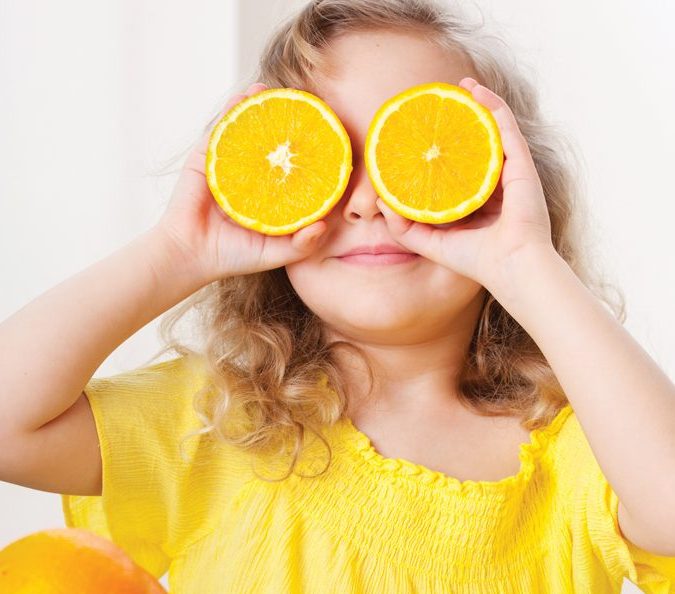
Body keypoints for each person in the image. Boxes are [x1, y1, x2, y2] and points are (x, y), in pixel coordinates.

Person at [1, 0, 674, 592]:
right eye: (327, 160)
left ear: (507, 181)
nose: (366, 202)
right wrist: (173, 254)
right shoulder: (217, 421)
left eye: (415, 154)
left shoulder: (581, 447)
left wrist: (525, 261)